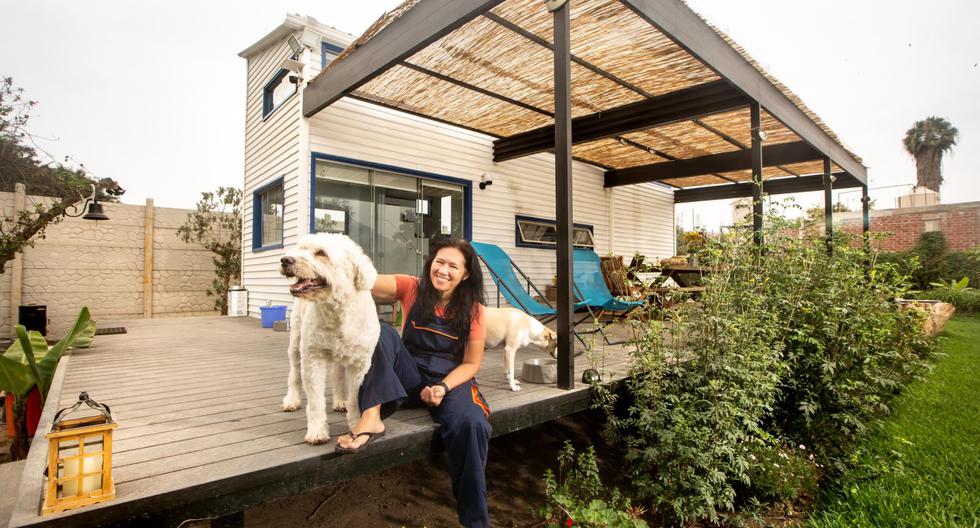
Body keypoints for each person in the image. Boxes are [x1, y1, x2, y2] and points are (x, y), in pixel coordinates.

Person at [336, 236, 492, 528]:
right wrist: (333, 260)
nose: (443, 270)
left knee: (473, 424)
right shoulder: (412, 287)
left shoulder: (474, 310)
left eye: (453, 266)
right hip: (408, 375)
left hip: (449, 380)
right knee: (382, 331)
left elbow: (471, 363)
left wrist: (443, 387)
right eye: (439, 262)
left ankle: (476, 522)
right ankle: (371, 419)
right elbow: (365, 279)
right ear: (430, 263)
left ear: (466, 274)